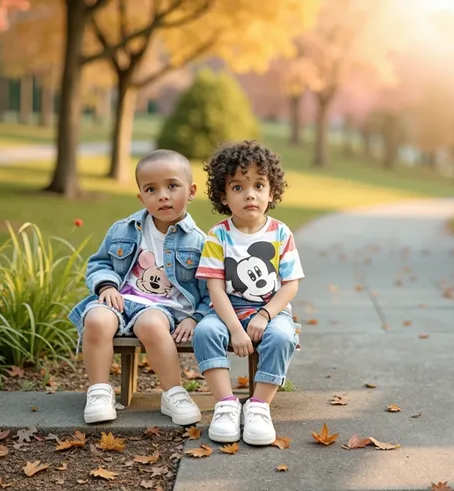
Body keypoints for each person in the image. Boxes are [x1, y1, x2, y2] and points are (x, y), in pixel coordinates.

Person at [67, 149, 210, 425]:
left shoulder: (199, 242)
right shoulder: (123, 230)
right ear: (141, 197)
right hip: (120, 299)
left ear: (191, 191)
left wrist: (195, 318)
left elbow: (209, 290)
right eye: (151, 189)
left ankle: (173, 392)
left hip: (162, 308)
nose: (163, 195)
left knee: (152, 326)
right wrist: (106, 286)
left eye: (172, 186)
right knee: (96, 318)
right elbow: (99, 264)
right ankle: (99, 391)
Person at [193, 140, 304, 446]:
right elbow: (215, 287)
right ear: (224, 196)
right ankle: (226, 404)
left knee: (282, 336)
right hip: (228, 308)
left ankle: (258, 407)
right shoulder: (218, 234)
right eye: (238, 187)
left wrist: (266, 315)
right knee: (204, 331)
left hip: (272, 308)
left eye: (258, 185)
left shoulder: (281, 233)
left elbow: (290, 284)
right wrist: (234, 329)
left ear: (271, 192)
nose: (250, 194)